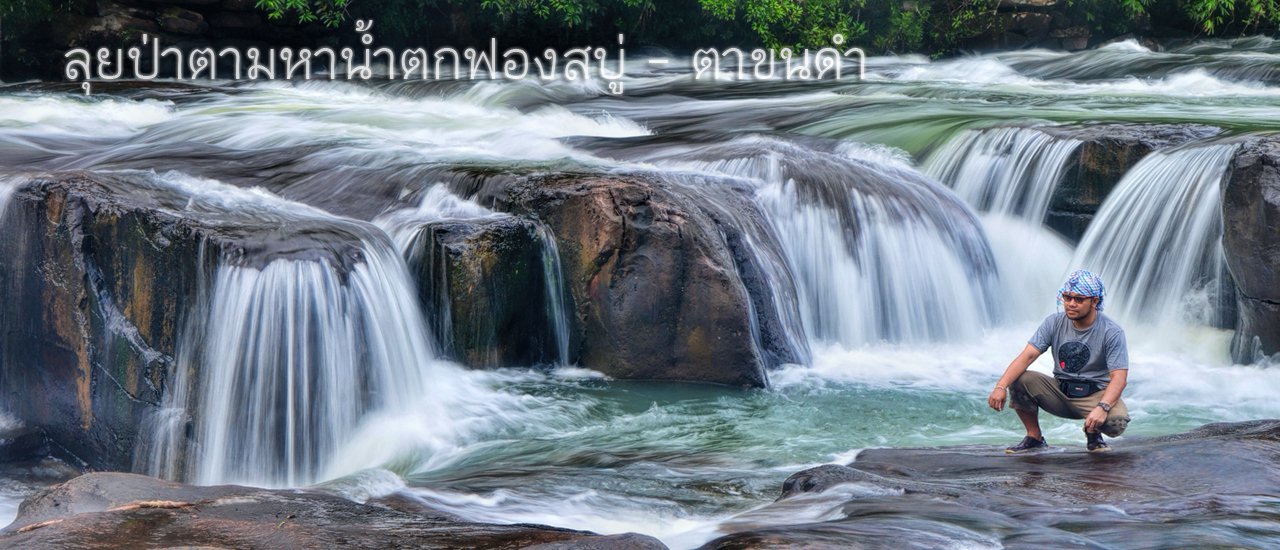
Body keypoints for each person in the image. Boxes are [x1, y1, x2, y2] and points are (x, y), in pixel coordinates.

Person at [987, 269, 1131, 453]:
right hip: (1060, 391)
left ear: (1094, 301)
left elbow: (1119, 378)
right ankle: (1034, 437)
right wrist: (1000, 386)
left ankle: (1093, 434)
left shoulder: (1111, 331)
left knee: (1116, 422)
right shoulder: (1053, 323)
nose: (1071, 304)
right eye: (1067, 297)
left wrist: (1102, 407)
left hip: (1095, 394)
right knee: (1018, 378)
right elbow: (1027, 356)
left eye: (1079, 299)